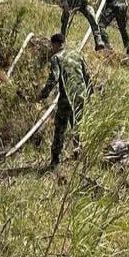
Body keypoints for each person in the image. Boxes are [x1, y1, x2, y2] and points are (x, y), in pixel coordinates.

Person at [37, 33, 92, 168]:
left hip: (67, 96)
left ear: (55, 44)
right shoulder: (76, 54)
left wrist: (42, 95)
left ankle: (55, 161)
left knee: (60, 127)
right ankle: (78, 155)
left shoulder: (56, 58)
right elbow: (87, 74)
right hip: (80, 95)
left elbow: (54, 79)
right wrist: (90, 92)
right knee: (77, 126)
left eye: (52, 46)